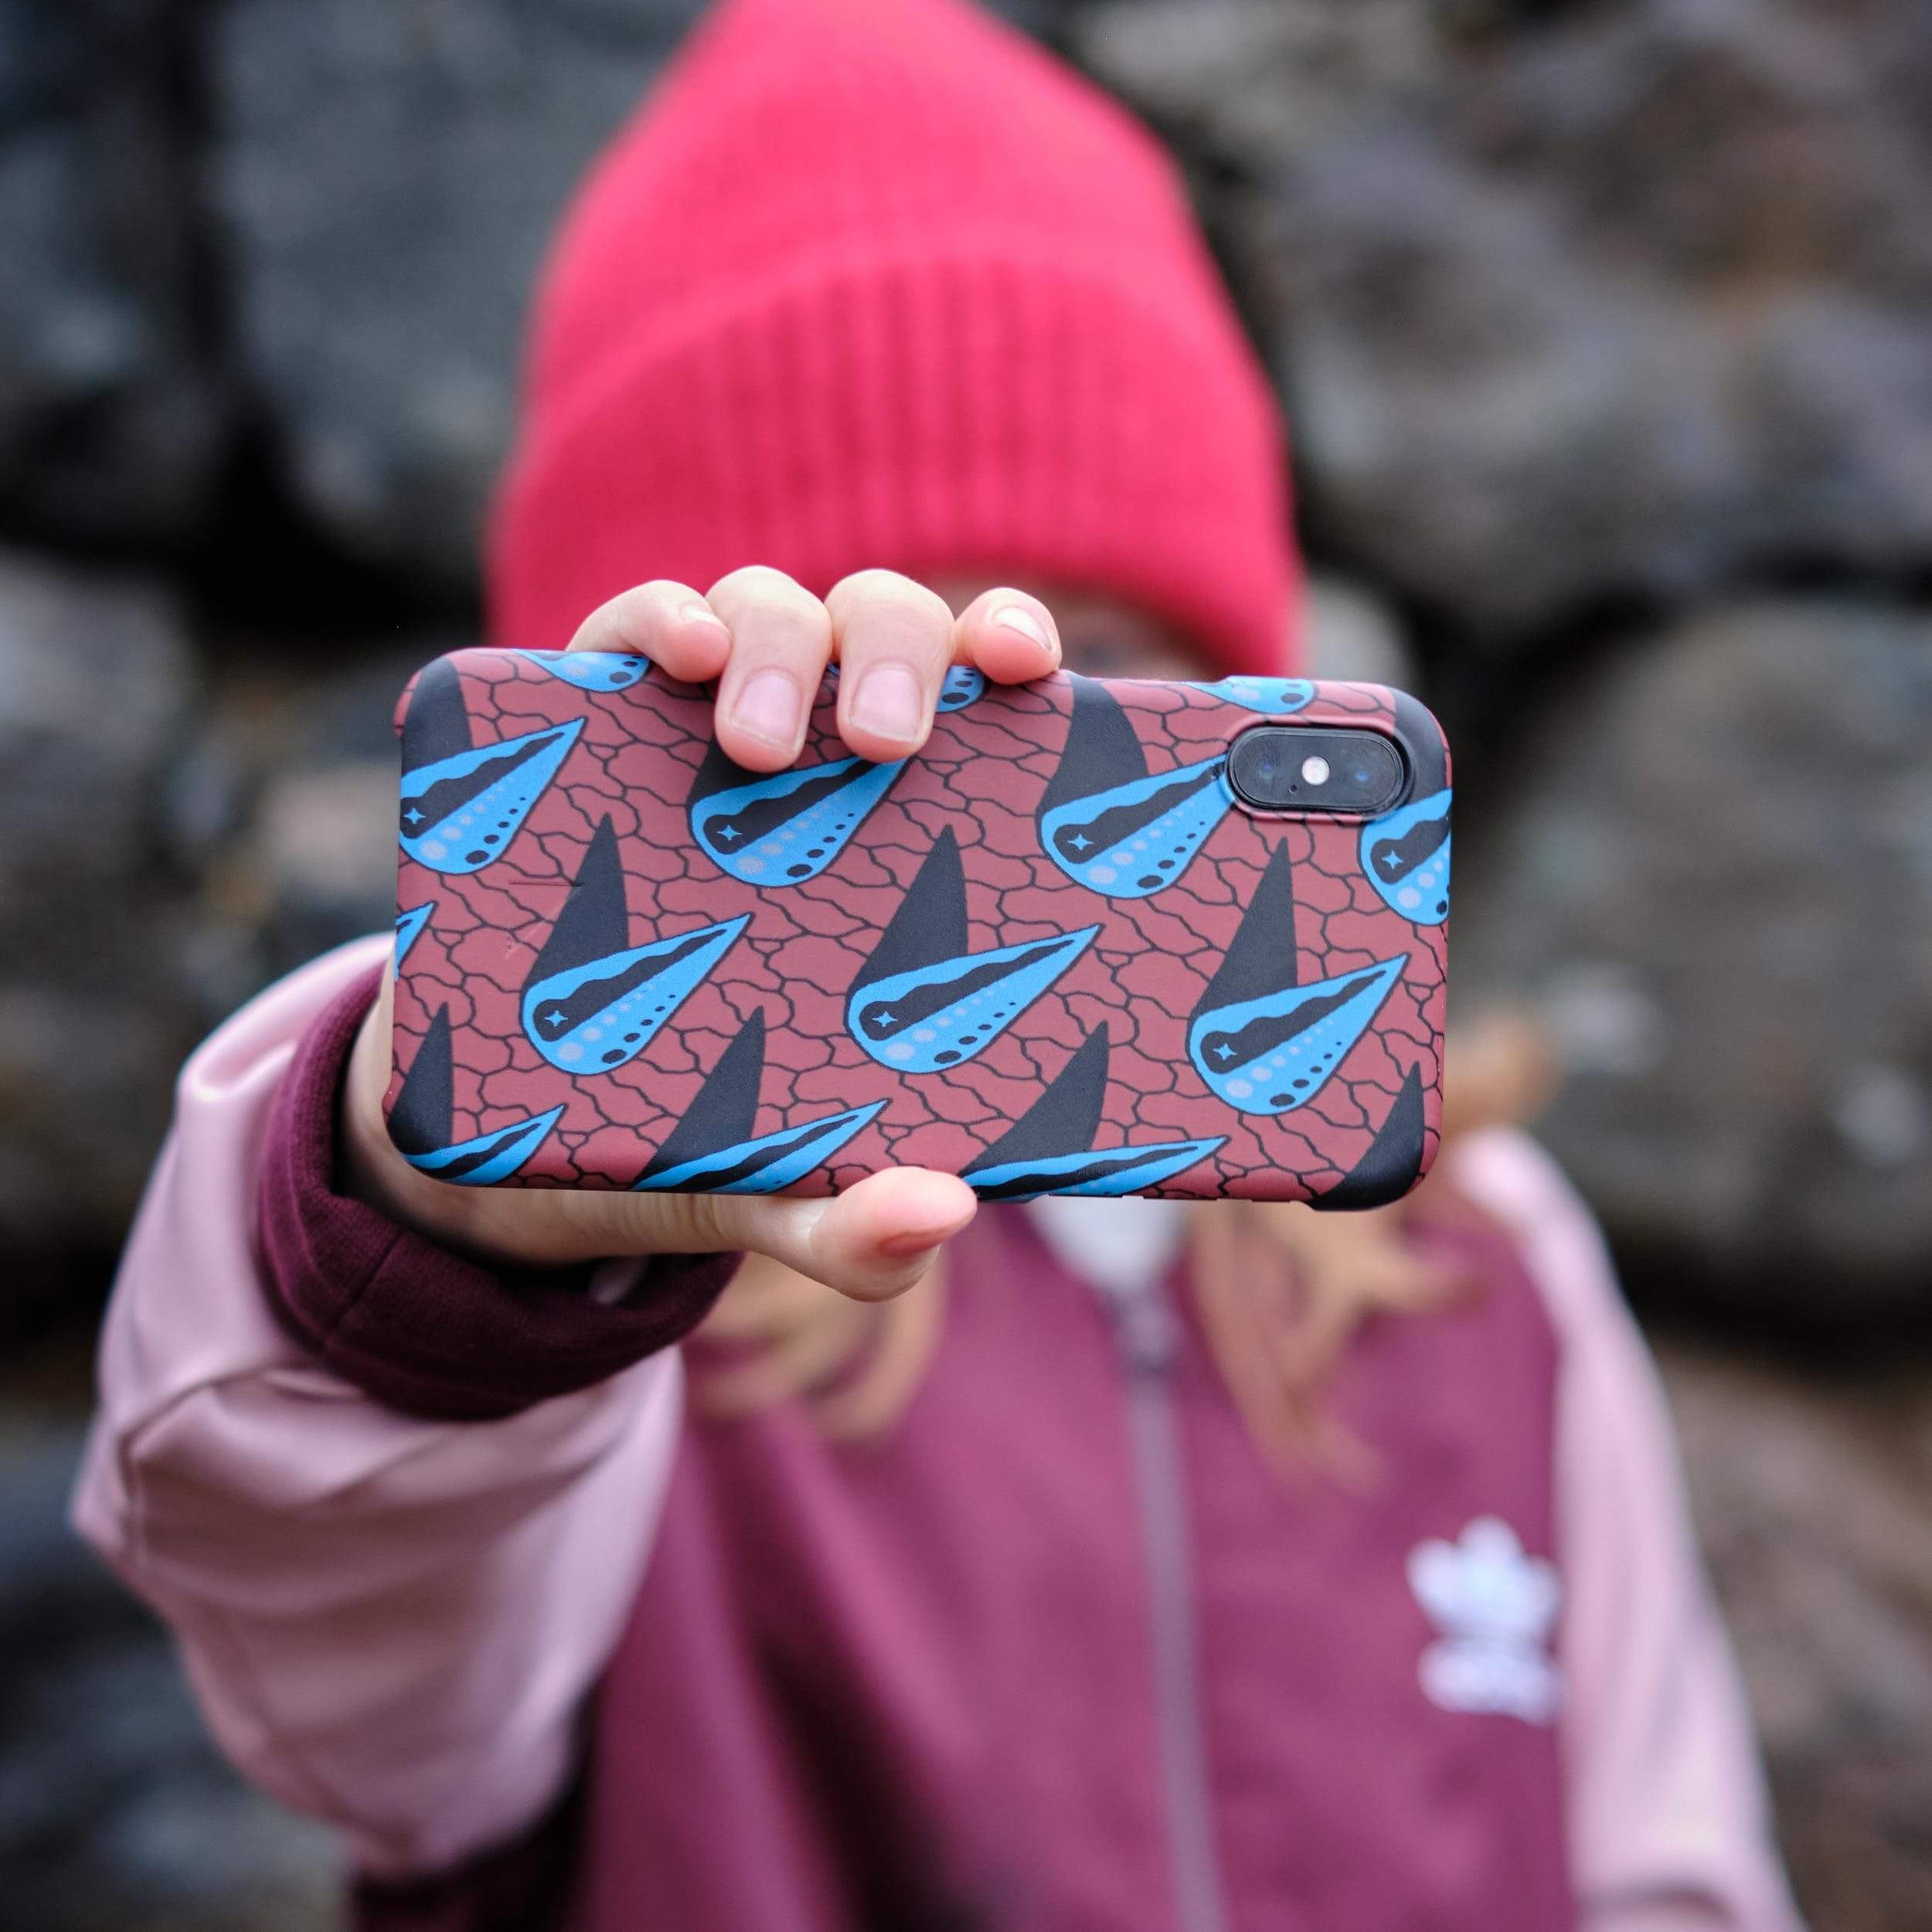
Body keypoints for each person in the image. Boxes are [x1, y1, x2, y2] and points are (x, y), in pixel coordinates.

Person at [72, 2, 1804, 1927]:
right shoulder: (603, 1363)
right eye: (871, 721)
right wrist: (433, 1231)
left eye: (1096, 671)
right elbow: (329, 1632)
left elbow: (1668, 1876)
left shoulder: (1488, 1259)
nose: (1000, 749)